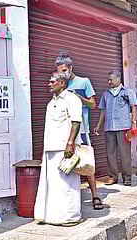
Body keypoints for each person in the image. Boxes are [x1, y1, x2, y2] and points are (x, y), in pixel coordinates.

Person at [55, 52, 103, 210]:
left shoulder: (84, 82)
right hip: (64, 130)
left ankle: (95, 195)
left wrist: (78, 98)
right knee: (67, 162)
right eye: (59, 71)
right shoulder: (60, 84)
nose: (62, 73)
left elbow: (93, 105)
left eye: (64, 70)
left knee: (86, 160)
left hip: (82, 129)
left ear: (70, 68)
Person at [34, 71, 83, 226]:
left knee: (67, 184)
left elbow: (76, 122)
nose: (49, 83)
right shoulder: (51, 103)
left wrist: (70, 143)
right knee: (53, 185)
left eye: (53, 81)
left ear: (62, 83)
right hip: (51, 149)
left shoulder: (72, 99)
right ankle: (54, 216)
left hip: (64, 148)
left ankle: (70, 217)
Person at [93, 70, 137, 186]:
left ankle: (127, 177)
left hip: (123, 127)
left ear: (119, 79)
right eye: (108, 80)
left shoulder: (128, 92)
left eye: (111, 79)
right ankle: (112, 176)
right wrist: (98, 125)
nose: (109, 82)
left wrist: (133, 123)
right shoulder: (106, 94)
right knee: (110, 153)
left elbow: (134, 107)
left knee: (125, 153)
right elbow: (103, 110)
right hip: (109, 127)